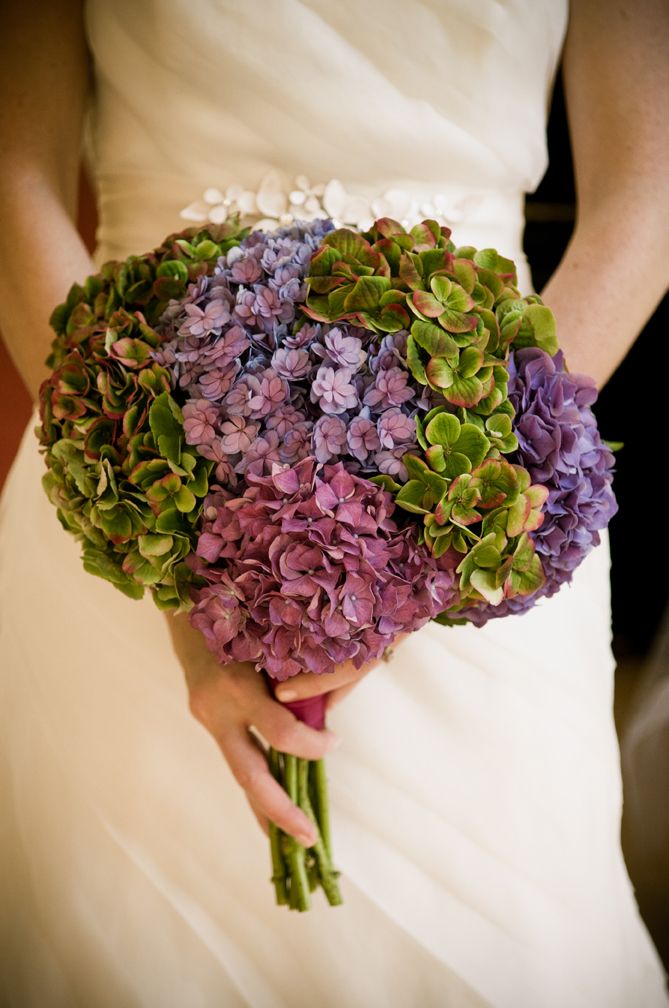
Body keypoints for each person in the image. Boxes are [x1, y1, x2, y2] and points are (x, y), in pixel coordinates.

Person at [1, 1, 668, 1005]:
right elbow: (17, 174)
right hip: (142, 464)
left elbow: (649, 194)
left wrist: (453, 519)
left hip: (478, 486)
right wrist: (181, 576)